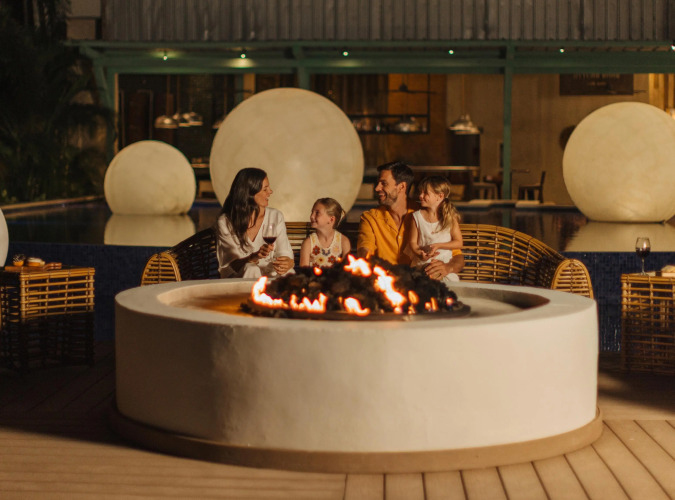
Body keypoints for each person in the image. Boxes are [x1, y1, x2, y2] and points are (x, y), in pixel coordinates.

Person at [357, 160, 464, 280]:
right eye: (378, 183)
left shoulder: (428, 216)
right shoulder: (370, 218)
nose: (377, 188)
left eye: (384, 183)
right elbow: (365, 249)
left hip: (417, 281)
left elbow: (457, 257)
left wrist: (447, 268)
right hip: (385, 282)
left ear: (401, 187)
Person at [214, 167, 294, 278]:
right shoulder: (225, 222)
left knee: (288, 272)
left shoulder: (275, 216)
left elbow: (284, 251)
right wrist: (253, 257)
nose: (270, 192)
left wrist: (287, 262)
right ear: (249, 193)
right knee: (251, 268)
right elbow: (233, 264)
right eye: (265, 189)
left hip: (268, 273)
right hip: (239, 276)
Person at [407, 176, 463, 283]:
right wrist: (419, 253)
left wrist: (438, 245)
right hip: (421, 264)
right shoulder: (416, 217)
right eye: (420, 192)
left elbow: (458, 243)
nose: (420, 196)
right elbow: (413, 242)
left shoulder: (450, 217)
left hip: (443, 264)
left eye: (425, 193)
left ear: (440, 196)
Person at [299, 198, 351, 267]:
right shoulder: (309, 243)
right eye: (312, 212)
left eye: (317, 213)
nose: (312, 216)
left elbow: (347, 268)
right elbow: (304, 269)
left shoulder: (343, 242)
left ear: (331, 219)